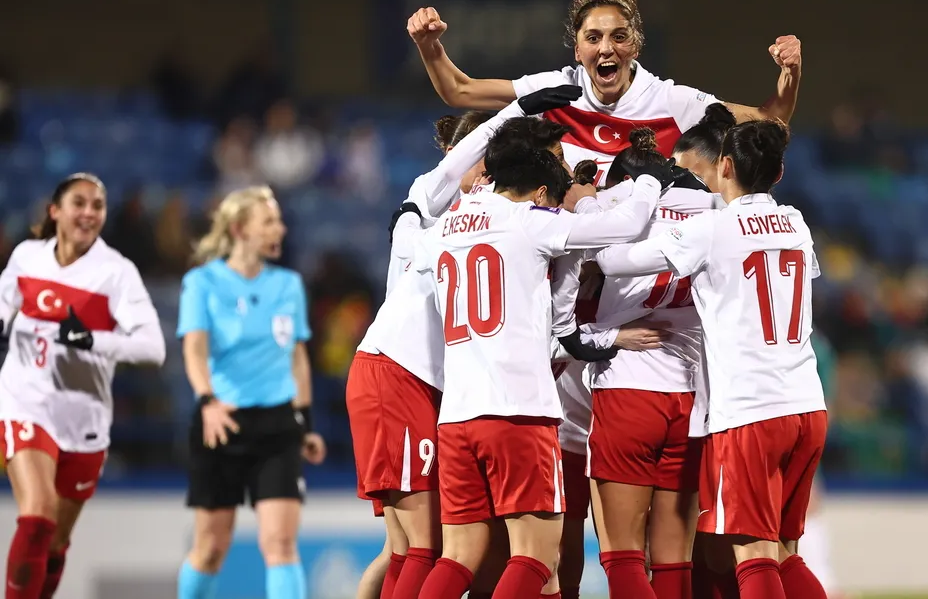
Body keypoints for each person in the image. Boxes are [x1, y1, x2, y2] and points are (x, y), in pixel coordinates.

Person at [409, 118, 674, 599]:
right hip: (518, 412)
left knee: (458, 555)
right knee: (534, 555)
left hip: (457, 416)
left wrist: (410, 209)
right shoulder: (531, 221)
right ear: (536, 190)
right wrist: (652, 177)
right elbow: (626, 225)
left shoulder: (444, 227)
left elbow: (408, 239)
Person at [345, 85, 583, 599]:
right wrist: (516, 112)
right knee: (426, 549)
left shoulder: (446, 219)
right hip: (404, 373)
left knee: (416, 549)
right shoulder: (475, 211)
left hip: (438, 389)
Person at [597, 120, 828, 599]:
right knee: (786, 551)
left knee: (753, 554)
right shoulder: (797, 223)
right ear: (779, 173)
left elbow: (612, 263)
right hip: (807, 403)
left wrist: (621, 206)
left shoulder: (712, 228)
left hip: (749, 409)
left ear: (723, 165)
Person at [407, 0, 801, 175]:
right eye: (593, 38)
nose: (606, 48)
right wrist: (429, 45)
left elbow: (771, 122)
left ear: (636, 45)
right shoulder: (555, 90)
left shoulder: (671, 101)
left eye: (619, 36)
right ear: (577, 51)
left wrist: (790, 73)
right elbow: (459, 90)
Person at [0, 173, 166, 599]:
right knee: (37, 517)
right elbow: (3, 305)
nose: (89, 212)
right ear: (55, 211)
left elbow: (153, 348)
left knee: (54, 541)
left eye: (98, 205)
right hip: (25, 401)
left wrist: (93, 339)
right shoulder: (26, 257)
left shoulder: (116, 273)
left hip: (84, 418)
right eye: (79, 202)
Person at [572, 129, 719, 599]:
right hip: (692, 398)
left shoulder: (616, 204)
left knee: (624, 556)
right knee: (675, 560)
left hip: (627, 390)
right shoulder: (714, 209)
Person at [175, 186, 327, 599]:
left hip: (278, 425)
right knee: (210, 549)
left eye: (278, 219)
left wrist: (306, 423)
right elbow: (194, 349)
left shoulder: (288, 285)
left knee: (280, 544)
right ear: (241, 229)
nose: (280, 228)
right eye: (269, 221)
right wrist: (207, 401)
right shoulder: (202, 282)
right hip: (220, 422)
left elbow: (298, 358)